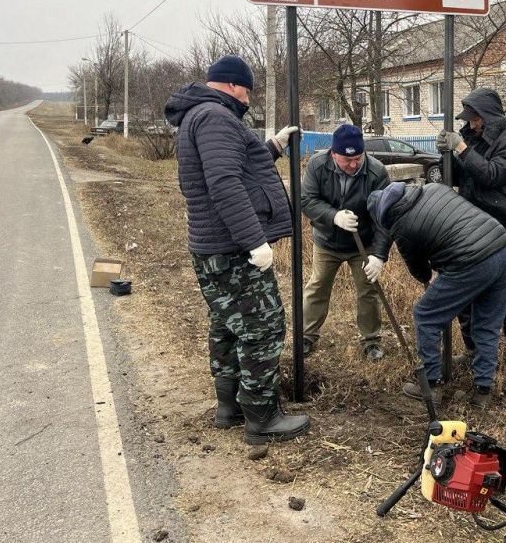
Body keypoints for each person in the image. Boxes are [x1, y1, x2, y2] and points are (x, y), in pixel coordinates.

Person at [165, 54, 310, 445]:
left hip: (214, 245)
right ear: (232, 84)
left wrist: (273, 147)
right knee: (263, 328)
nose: (249, 96)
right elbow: (225, 184)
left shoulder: (202, 115)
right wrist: (255, 242)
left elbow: (238, 168)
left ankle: (228, 407)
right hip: (232, 248)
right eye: (247, 88)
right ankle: (261, 417)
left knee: (227, 323)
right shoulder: (214, 117)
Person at [367, 182, 506, 409]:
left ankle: (431, 385)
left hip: (472, 260)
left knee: (425, 315)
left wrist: (434, 270)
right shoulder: (434, 188)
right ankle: (483, 391)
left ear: (385, 215)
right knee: (487, 324)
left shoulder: (402, 226)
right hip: (503, 247)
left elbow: (421, 272)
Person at [436, 87, 506, 391]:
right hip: (474, 229)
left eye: (475, 119)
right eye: (468, 120)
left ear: (488, 117)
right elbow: (458, 178)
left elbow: (491, 175)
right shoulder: (475, 139)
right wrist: (445, 155)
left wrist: (462, 148)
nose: (470, 124)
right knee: (467, 295)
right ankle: (474, 353)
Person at [301, 123, 391, 359]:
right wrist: (334, 216)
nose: (353, 165)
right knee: (318, 286)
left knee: (368, 290)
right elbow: (307, 200)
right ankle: (307, 336)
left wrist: (379, 255)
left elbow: (385, 217)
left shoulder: (376, 172)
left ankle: (371, 340)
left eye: (358, 159)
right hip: (327, 241)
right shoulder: (317, 165)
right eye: (346, 160)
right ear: (334, 154)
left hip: (363, 244)